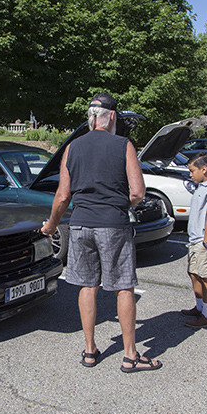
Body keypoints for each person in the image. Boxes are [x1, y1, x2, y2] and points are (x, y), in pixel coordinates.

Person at [41, 92, 161, 373]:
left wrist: (51, 224)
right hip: (113, 225)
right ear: (113, 117)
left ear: (90, 118)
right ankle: (130, 355)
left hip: (81, 224)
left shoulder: (72, 148)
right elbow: (137, 192)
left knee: (87, 286)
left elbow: (62, 196)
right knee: (123, 287)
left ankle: (90, 350)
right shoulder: (124, 145)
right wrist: (118, 206)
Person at [181, 153, 207, 328]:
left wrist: (206, 241)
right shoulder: (201, 185)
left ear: (204, 169)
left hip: (204, 241)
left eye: (192, 171)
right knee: (193, 273)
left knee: (205, 277)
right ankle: (199, 307)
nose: (191, 174)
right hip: (195, 239)